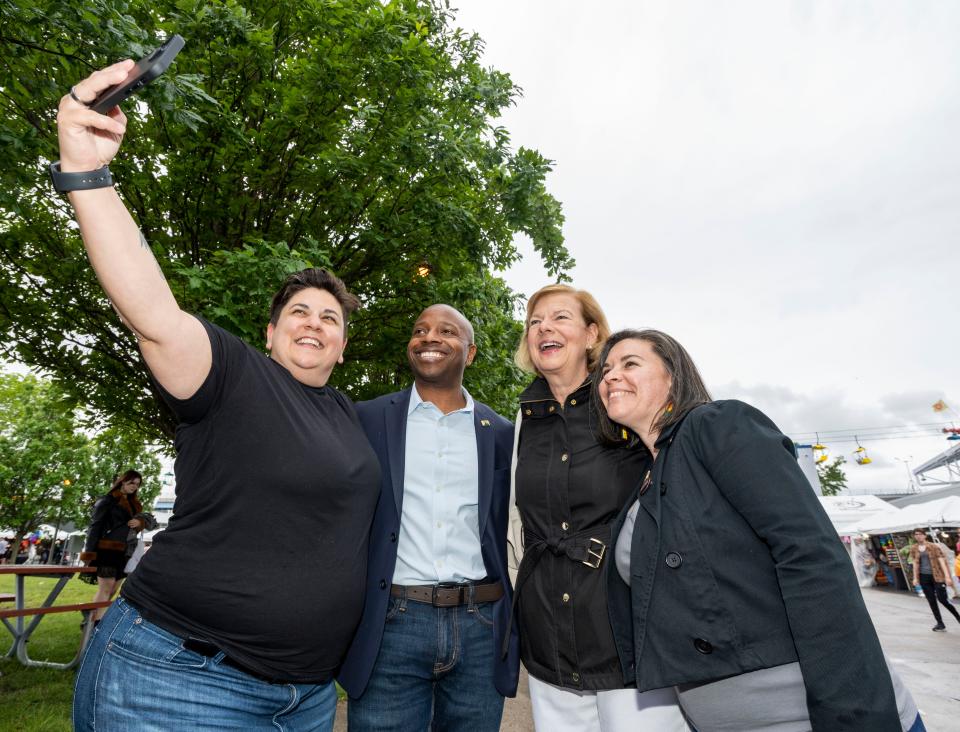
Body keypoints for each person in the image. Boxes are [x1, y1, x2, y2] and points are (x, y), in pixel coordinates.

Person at [59, 61, 381, 731]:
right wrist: (87, 174)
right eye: (299, 312)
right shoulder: (232, 373)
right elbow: (151, 309)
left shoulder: (351, 418)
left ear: (345, 346)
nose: (314, 324)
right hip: (177, 680)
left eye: (331, 318)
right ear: (269, 333)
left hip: (307, 698)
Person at [594, 328, 923, 732]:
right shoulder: (647, 481)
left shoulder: (715, 424)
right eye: (606, 369)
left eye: (630, 364)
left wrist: (850, 714)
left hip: (811, 716)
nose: (610, 376)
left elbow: (810, 552)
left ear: (673, 377)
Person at [509, 285, 689, 731]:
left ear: (592, 334)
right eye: (534, 322)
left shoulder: (622, 402)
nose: (544, 328)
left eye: (559, 318)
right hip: (549, 633)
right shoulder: (524, 419)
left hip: (626, 633)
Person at [341, 304, 518, 731]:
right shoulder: (365, 419)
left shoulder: (503, 434)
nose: (429, 337)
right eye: (420, 330)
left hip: (480, 624)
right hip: (393, 620)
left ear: (470, 353)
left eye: (446, 331)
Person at [79, 471, 151, 622]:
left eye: (137, 484)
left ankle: (90, 618)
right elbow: (95, 526)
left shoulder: (135, 505)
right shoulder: (108, 500)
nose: (134, 487)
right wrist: (89, 553)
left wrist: (140, 523)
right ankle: (95, 625)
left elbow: (137, 525)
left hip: (124, 552)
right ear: (123, 482)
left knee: (112, 590)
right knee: (105, 588)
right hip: (106, 550)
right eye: (132, 482)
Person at [909, 529, 960, 631]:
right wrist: (915, 577)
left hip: (937, 576)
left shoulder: (933, 546)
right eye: (916, 535)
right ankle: (940, 623)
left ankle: (958, 618)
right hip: (924, 577)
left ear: (925, 536)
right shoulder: (914, 548)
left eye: (920, 534)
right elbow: (915, 563)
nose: (918, 536)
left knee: (942, 599)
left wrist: (947, 577)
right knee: (931, 601)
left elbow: (942, 561)